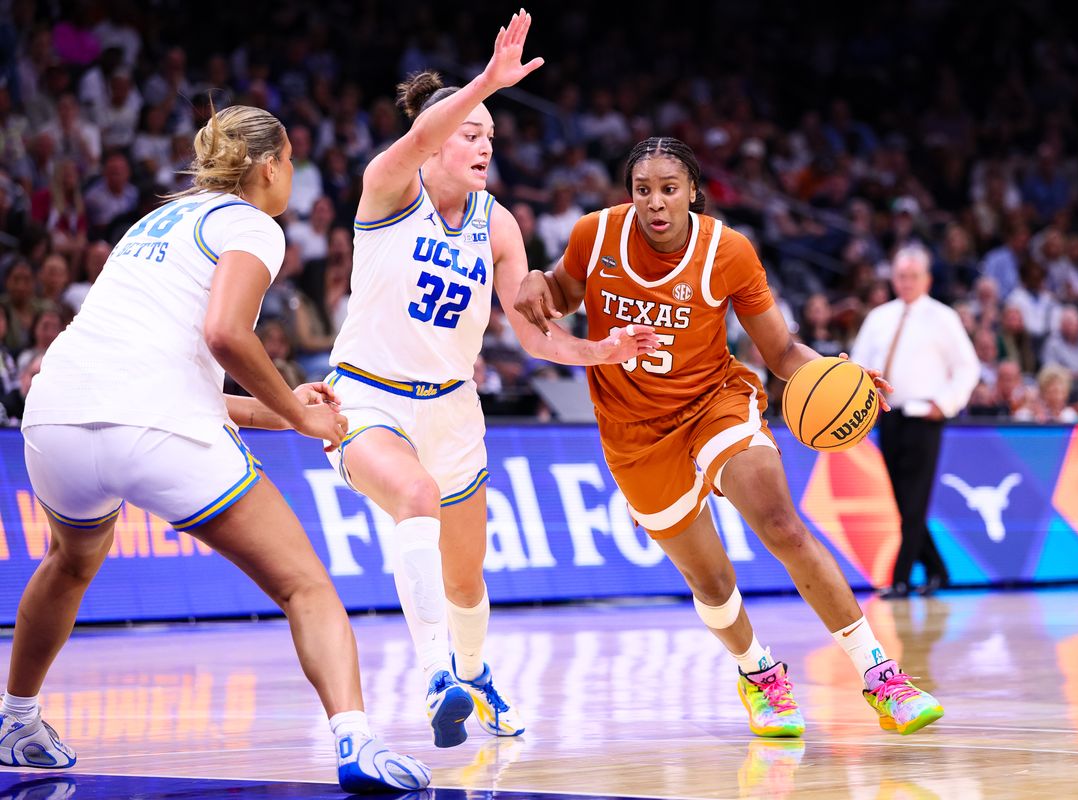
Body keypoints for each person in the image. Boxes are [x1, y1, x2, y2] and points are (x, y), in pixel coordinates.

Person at [0, 106, 428, 794]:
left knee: (68, 562)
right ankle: (357, 740)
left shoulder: (154, 222)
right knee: (306, 586)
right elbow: (226, 335)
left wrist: (277, 414)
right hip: (155, 430)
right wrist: (304, 416)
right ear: (268, 167)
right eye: (290, 160)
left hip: (55, 416)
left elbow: (158, 373)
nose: (293, 174)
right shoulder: (253, 224)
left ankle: (16, 720)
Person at [516, 136, 944, 738]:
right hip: (633, 431)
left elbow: (780, 351)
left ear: (694, 191)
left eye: (669, 189)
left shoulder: (728, 251)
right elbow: (560, 291)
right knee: (710, 580)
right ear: (629, 194)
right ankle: (759, 674)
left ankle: (882, 678)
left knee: (781, 525)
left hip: (713, 402)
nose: (656, 203)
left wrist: (834, 375)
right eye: (643, 190)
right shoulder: (596, 235)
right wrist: (538, 280)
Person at [325, 10, 656, 750]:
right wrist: (485, 83)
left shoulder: (498, 224)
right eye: (471, 133)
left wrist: (601, 351)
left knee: (467, 579)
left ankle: (472, 677)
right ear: (438, 138)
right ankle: (436, 674)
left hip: (452, 410)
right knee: (412, 495)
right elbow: (414, 139)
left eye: (491, 138)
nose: (483, 146)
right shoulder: (386, 188)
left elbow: (534, 337)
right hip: (367, 397)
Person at [850, 245, 980, 598]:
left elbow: (968, 367)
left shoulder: (943, 317)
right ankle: (938, 570)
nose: (906, 283)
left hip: (925, 416)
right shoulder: (879, 317)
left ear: (928, 279)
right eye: (900, 276)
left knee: (915, 499)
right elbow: (859, 364)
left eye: (913, 276)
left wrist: (946, 402)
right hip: (888, 417)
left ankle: (901, 578)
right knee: (904, 500)